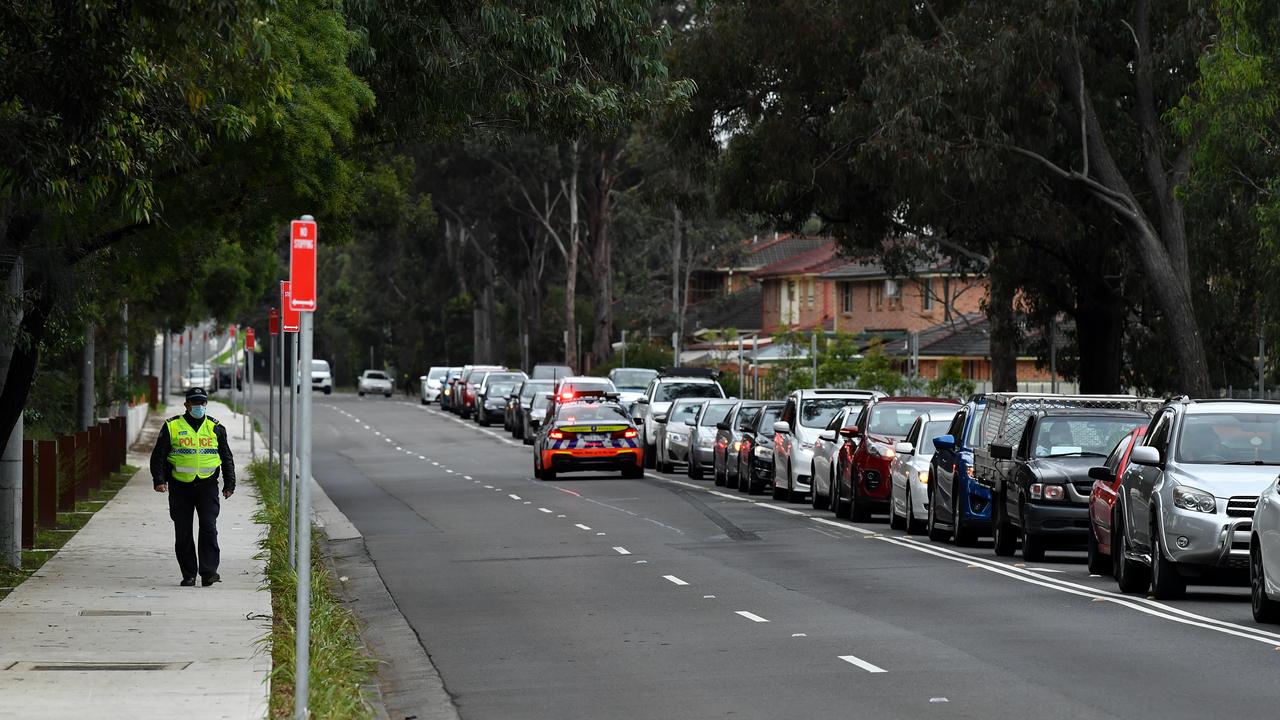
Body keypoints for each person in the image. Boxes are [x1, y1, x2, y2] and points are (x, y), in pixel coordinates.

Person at [150, 387, 236, 587]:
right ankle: (188, 574)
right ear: (186, 405)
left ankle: (208, 572)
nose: (199, 407)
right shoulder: (172, 426)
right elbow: (158, 456)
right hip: (180, 486)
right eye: (195, 403)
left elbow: (226, 457)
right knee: (183, 532)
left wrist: (229, 483)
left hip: (207, 485)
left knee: (208, 527)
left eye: (202, 403)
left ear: (206, 404)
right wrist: (159, 480)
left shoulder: (216, 427)